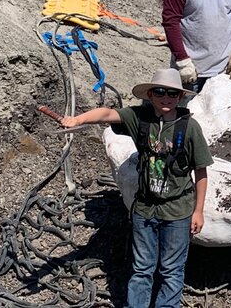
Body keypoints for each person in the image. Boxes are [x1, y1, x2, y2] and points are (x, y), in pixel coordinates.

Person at [59, 68, 214, 307]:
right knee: (142, 268)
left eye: (172, 93)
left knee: (171, 270)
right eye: (160, 92)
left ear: (180, 97)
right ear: (150, 94)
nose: (166, 97)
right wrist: (78, 120)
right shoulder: (139, 118)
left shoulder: (189, 127)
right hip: (145, 209)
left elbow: (201, 170)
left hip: (177, 210)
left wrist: (198, 210)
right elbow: (107, 114)